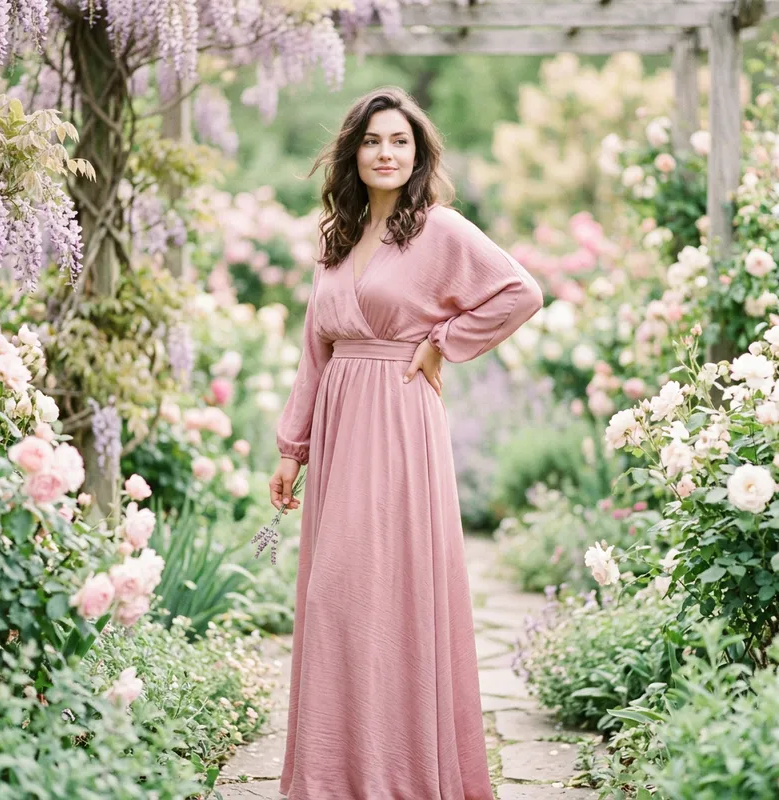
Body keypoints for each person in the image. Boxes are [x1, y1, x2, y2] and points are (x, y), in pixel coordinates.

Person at [269, 86, 544, 799]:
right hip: (338, 428)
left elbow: (520, 292)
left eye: (399, 142)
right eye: (372, 141)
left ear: (417, 154)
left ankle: (400, 774)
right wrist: (291, 448)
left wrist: (444, 343)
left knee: (382, 594)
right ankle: (335, 773)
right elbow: (315, 349)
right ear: (352, 154)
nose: (385, 153)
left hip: (398, 423)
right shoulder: (338, 240)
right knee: (336, 599)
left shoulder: (441, 230)